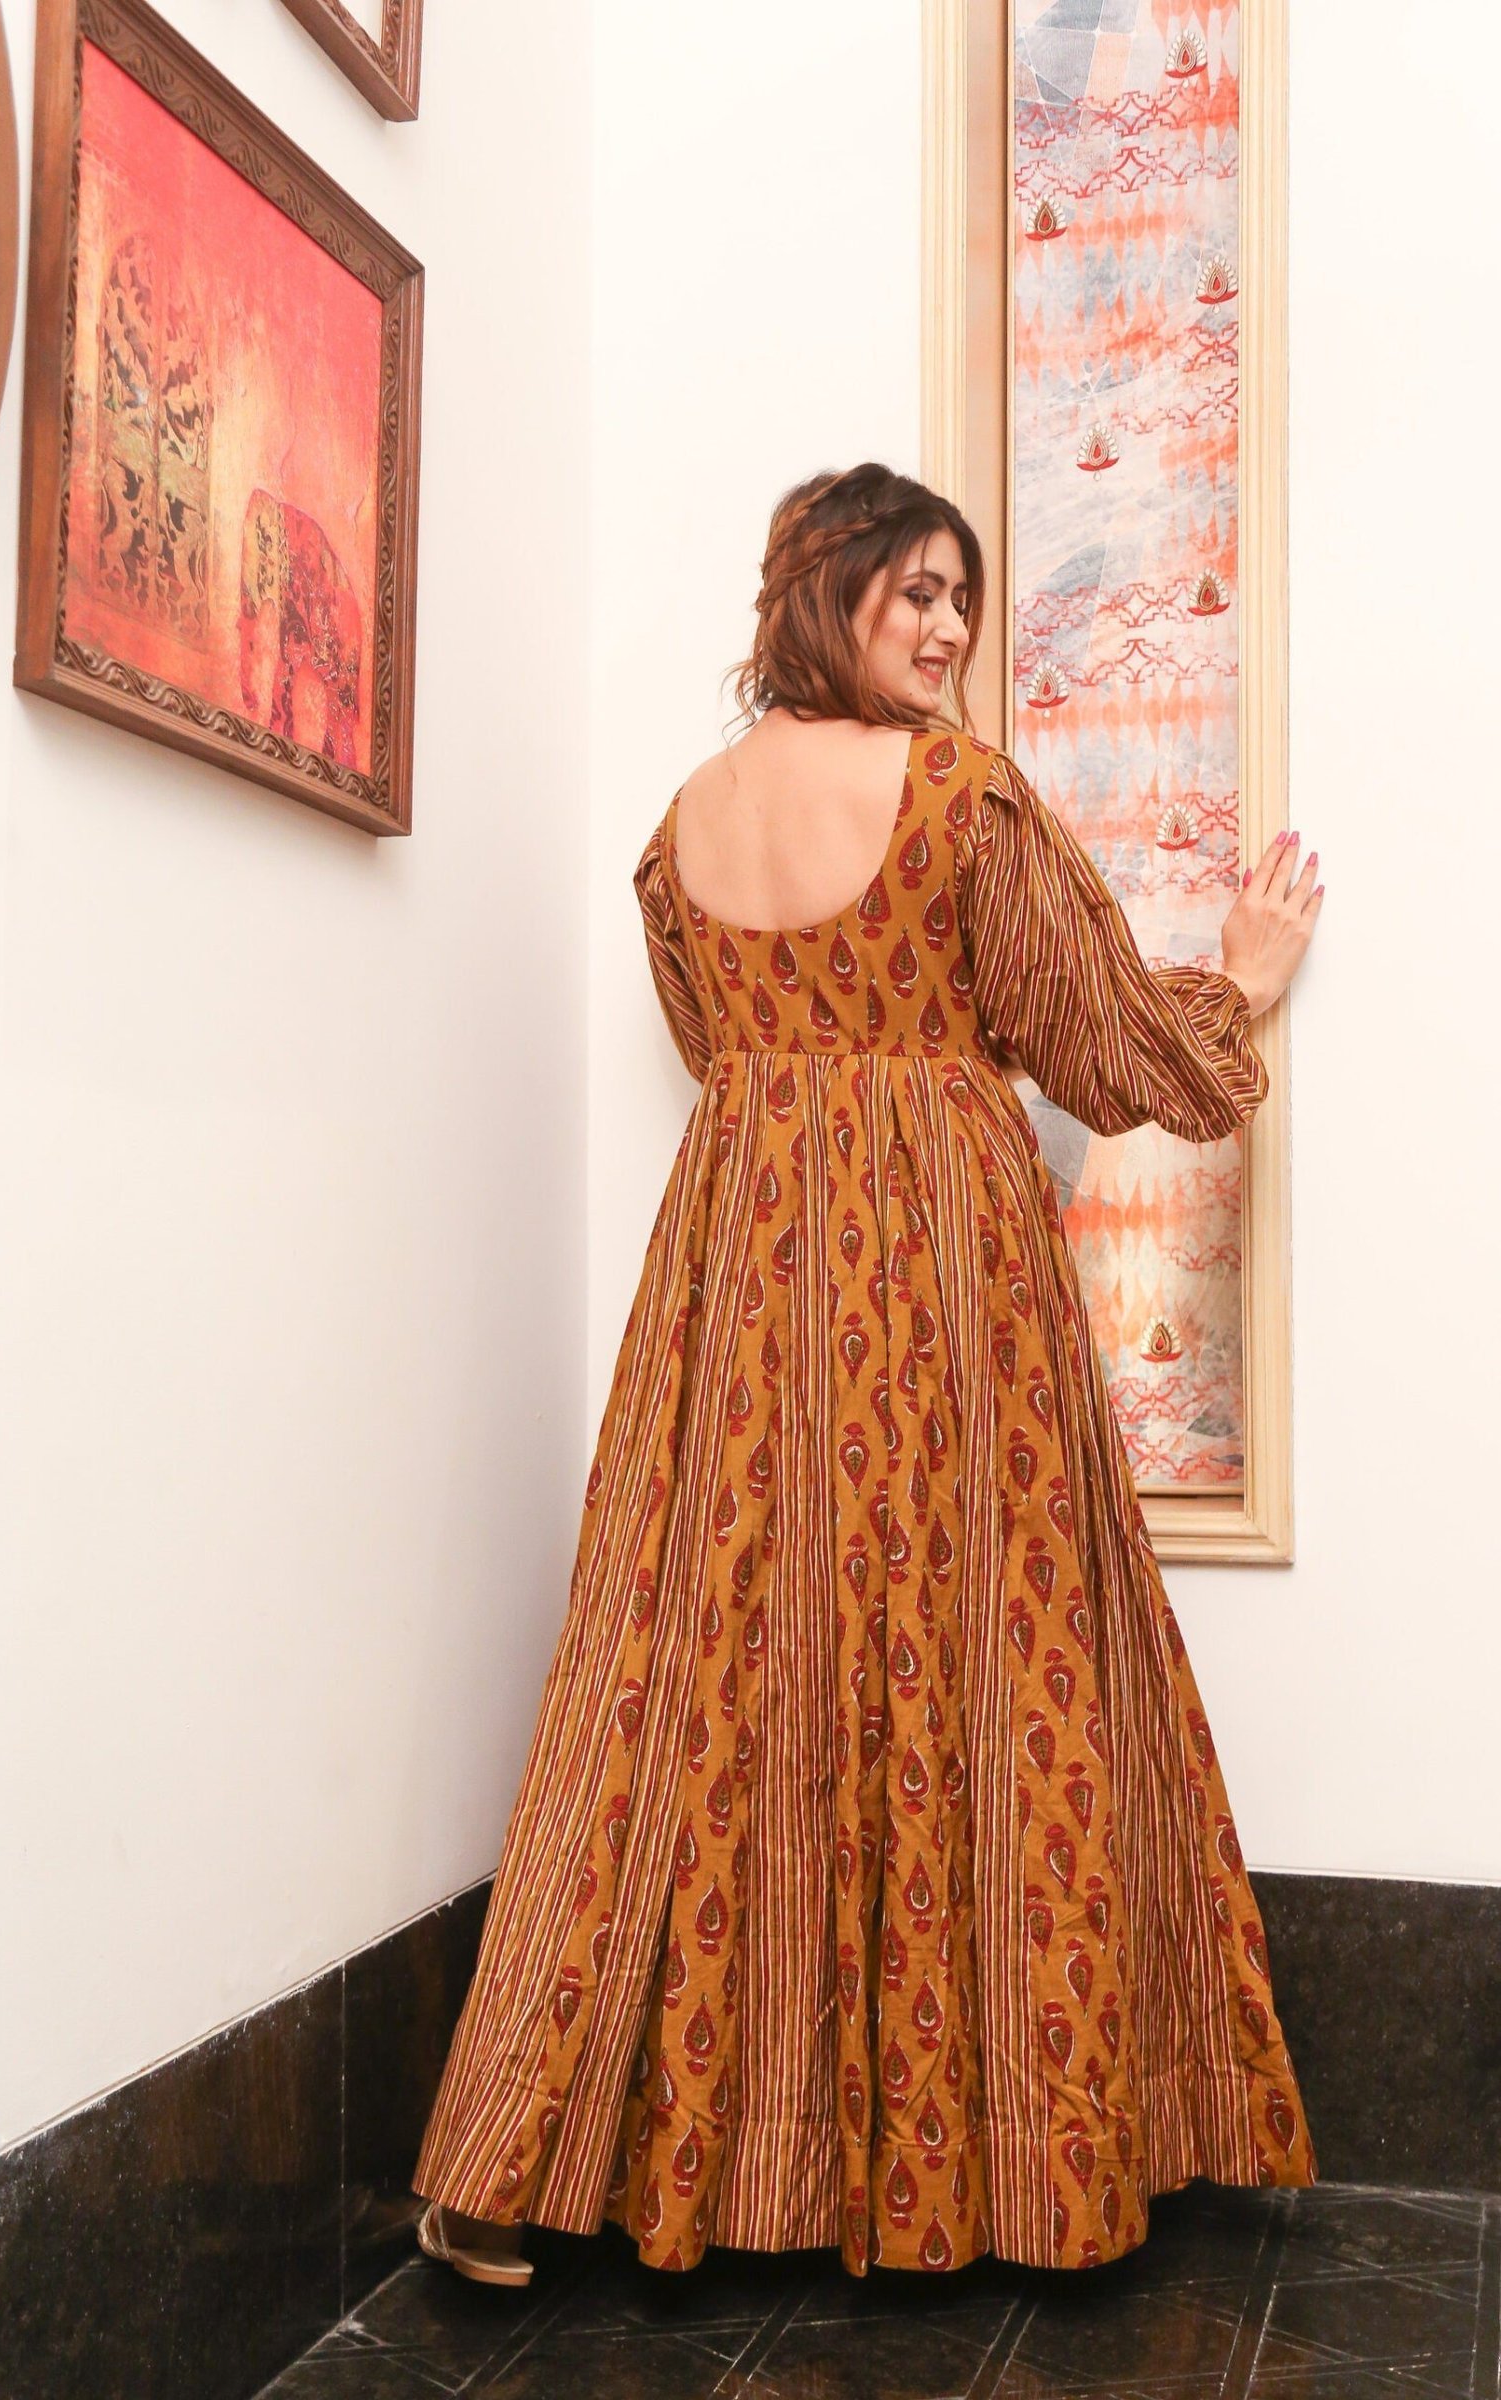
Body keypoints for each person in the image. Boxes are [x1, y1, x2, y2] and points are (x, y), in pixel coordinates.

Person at [410, 462, 1323, 2286]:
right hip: (943, 1285)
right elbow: (1108, 1049)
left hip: (738, 1278)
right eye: (915, 591)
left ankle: (513, 2162)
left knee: (679, 1677)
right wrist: (1238, 984)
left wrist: (814, 1107)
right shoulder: (962, 797)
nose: (949, 627)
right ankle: (1002, 2159)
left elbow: (709, 1045)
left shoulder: (680, 830)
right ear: (822, 594)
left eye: (959, 597)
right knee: (988, 1653)